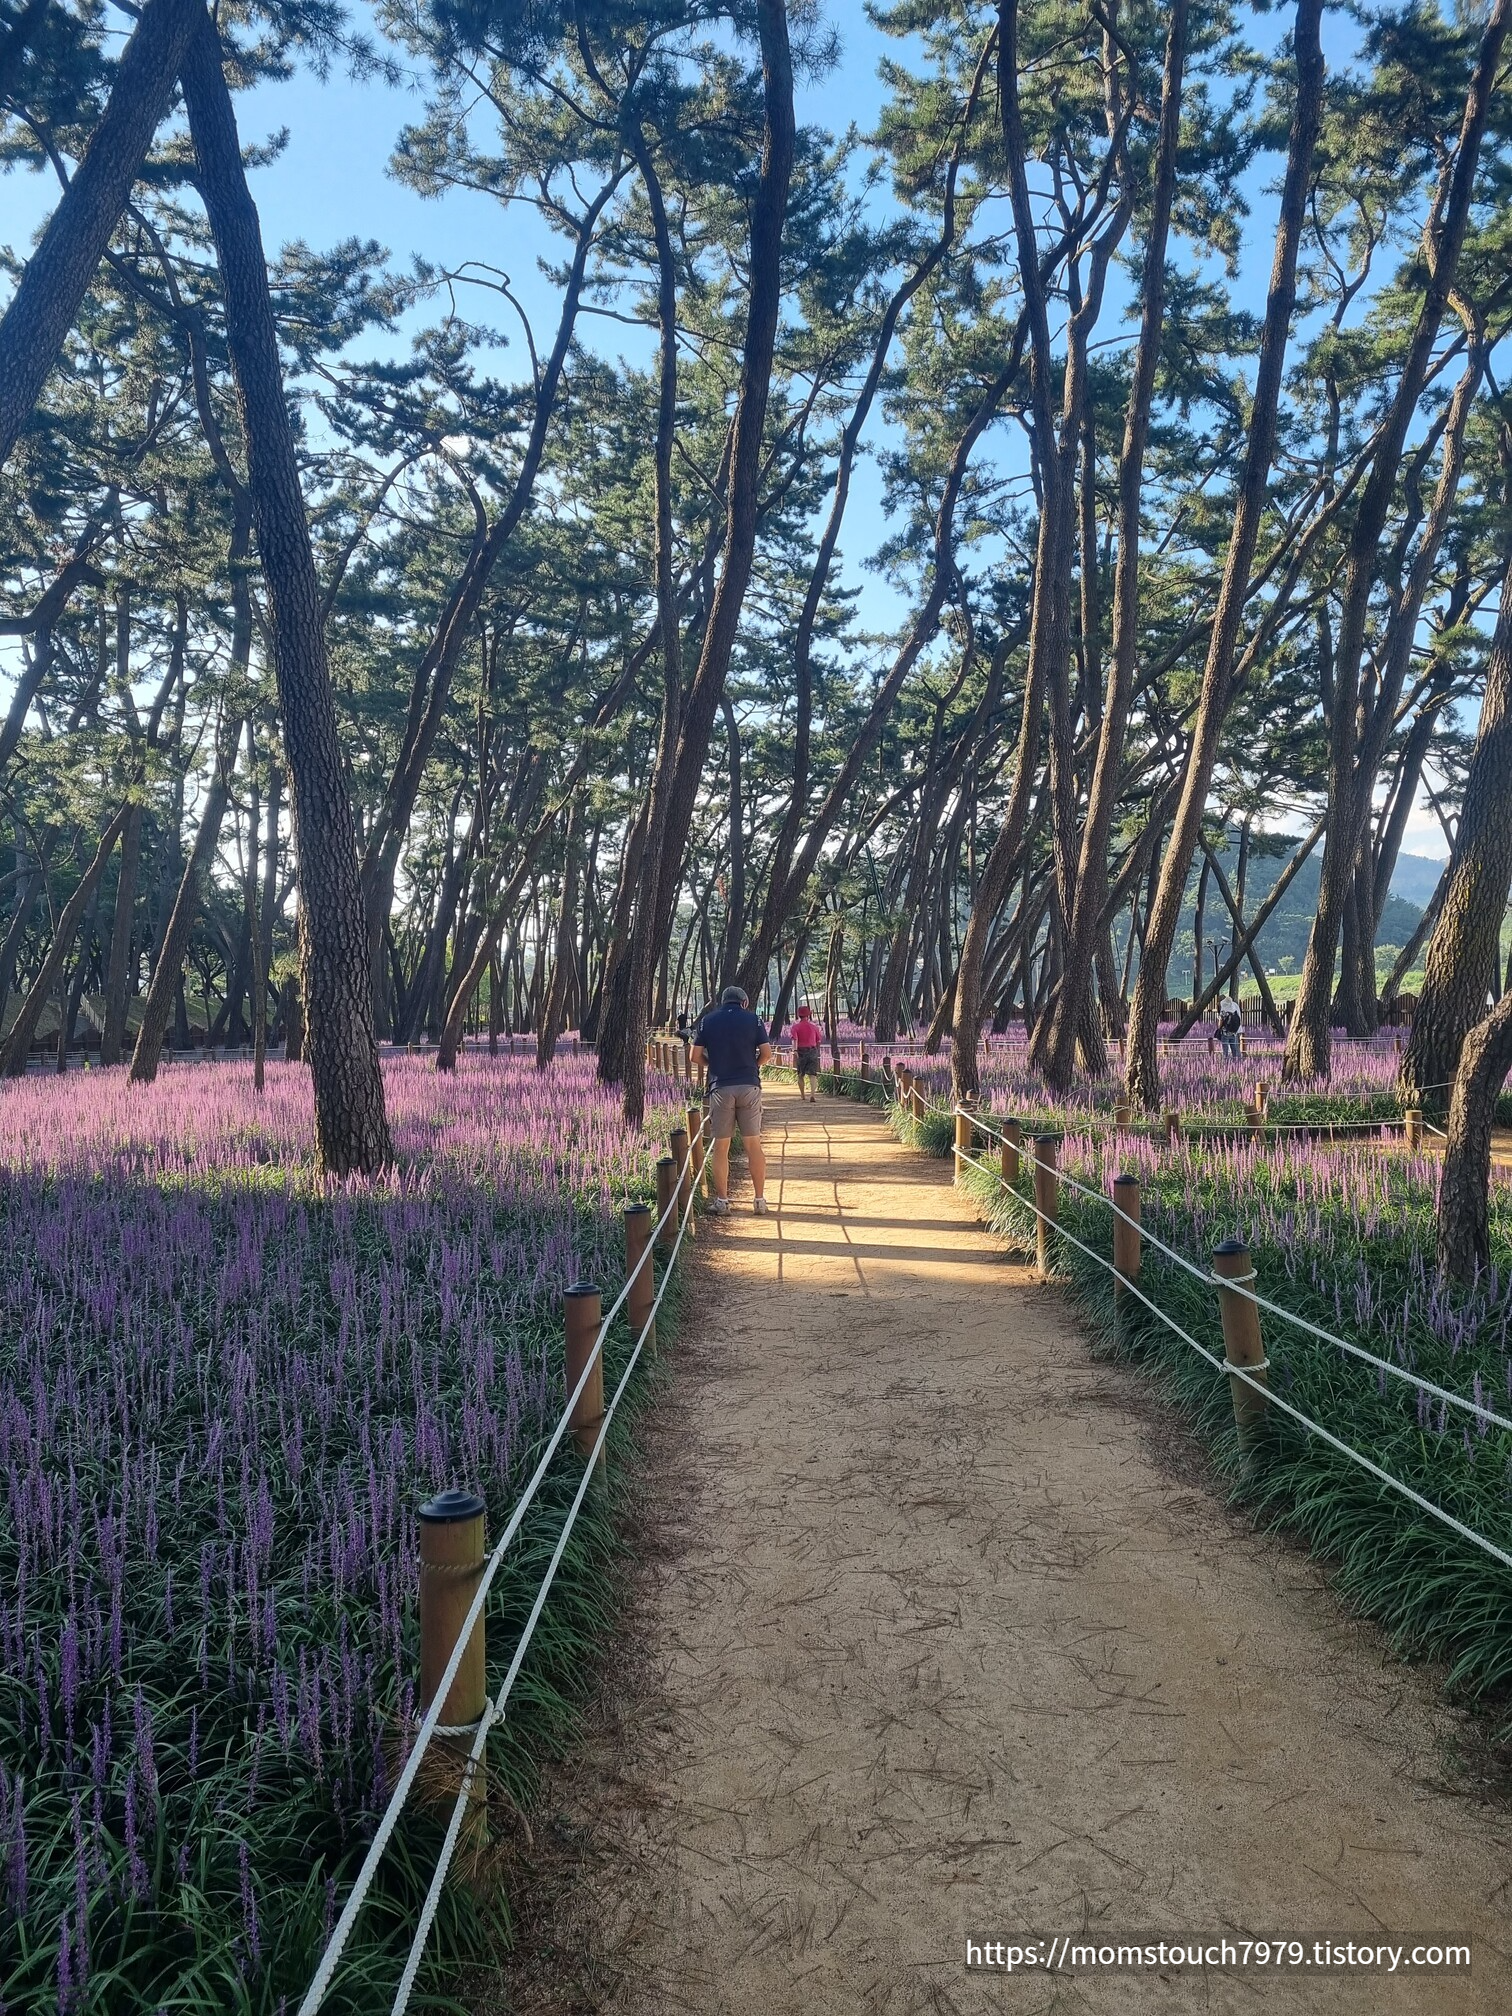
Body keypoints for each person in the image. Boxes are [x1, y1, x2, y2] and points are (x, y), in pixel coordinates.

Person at [691, 984, 773, 1217]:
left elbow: (694, 1056)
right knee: (753, 1145)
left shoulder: (708, 1020)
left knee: (721, 1147)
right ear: (744, 1002)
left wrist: (713, 1066)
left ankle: (723, 1201)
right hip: (749, 1086)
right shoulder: (753, 1020)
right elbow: (766, 1054)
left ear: (723, 1001)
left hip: (721, 1087)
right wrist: (751, 1068)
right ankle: (759, 1200)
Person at [790, 1001, 824, 1103]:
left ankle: (803, 1095)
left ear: (799, 1015)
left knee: (800, 1074)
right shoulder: (814, 1027)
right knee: (812, 1075)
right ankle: (812, 1095)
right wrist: (817, 1052)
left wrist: (794, 1050)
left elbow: (794, 1040)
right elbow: (818, 1040)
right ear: (808, 1015)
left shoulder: (795, 1027)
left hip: (801, 1052)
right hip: (812, 1051)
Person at [1217, 994, 1243, 1060]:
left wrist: (1219, 1028)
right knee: (1234, 1048)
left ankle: (1225, 1061)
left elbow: (1220, 1023)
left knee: (1225, 1049)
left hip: (1225, 1033)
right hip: (1234, 1031)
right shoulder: (1234, 1008)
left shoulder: (1224, 1011)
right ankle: (1236, 1060)